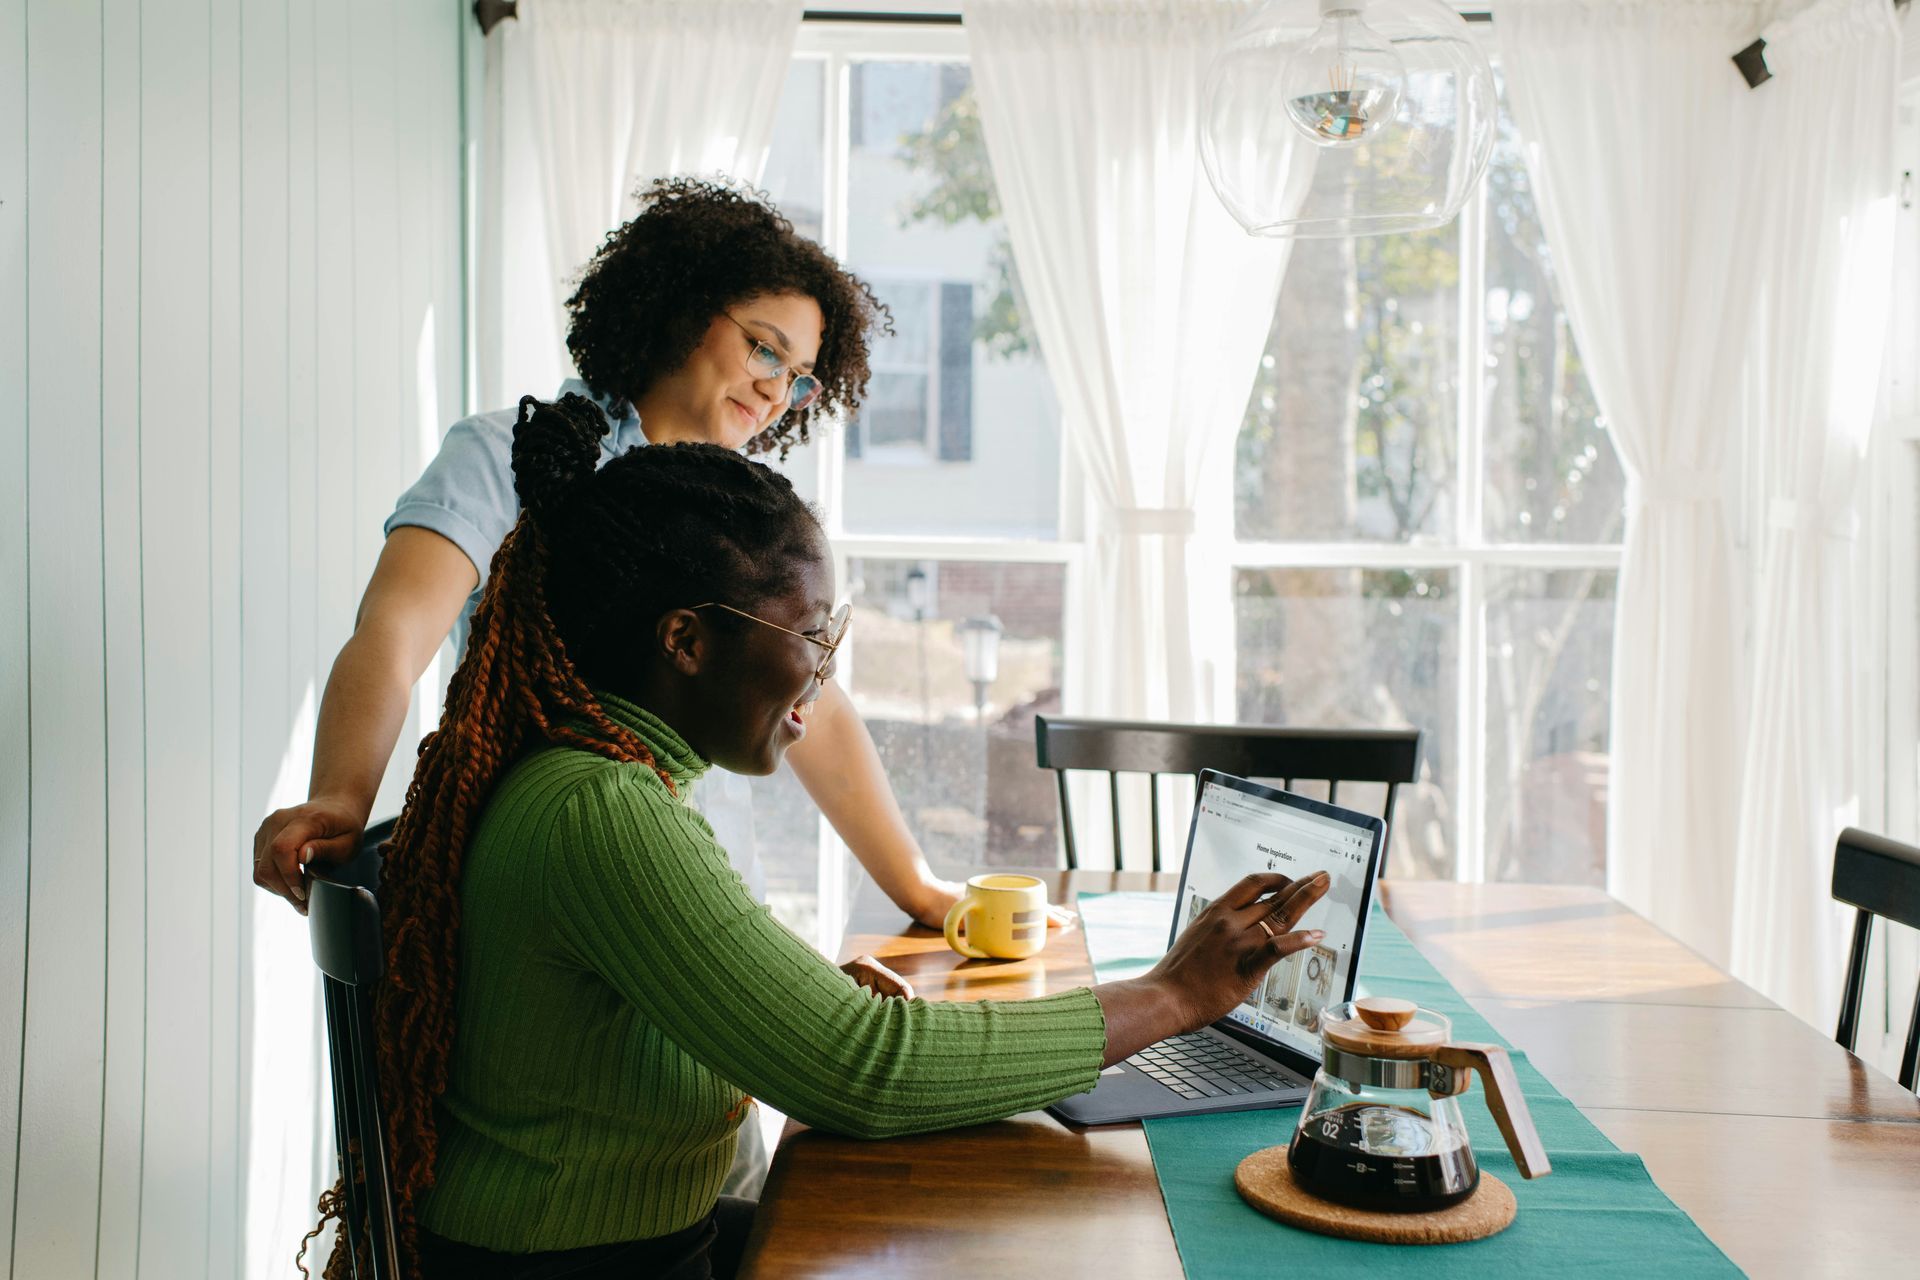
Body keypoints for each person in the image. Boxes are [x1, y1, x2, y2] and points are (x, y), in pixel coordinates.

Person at [302, 396, 1331, 1280]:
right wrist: (1175, 995)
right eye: (812, 637)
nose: (823, 676)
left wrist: (810, 1011)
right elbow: (863, 1072)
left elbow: (762, 1027)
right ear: (686, 641)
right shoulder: (600, 811)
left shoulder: (609, 782)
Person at [252, 175, 1023, 934]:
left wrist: (919, 891)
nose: (774, 390)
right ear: (682, 310)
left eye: (797, 379)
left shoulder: (746, 513)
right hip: (562, 899)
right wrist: (341, 796)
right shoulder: (507, 455)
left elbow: (810, 706)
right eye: (764, 350)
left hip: (707, 901)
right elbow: (392, 633)